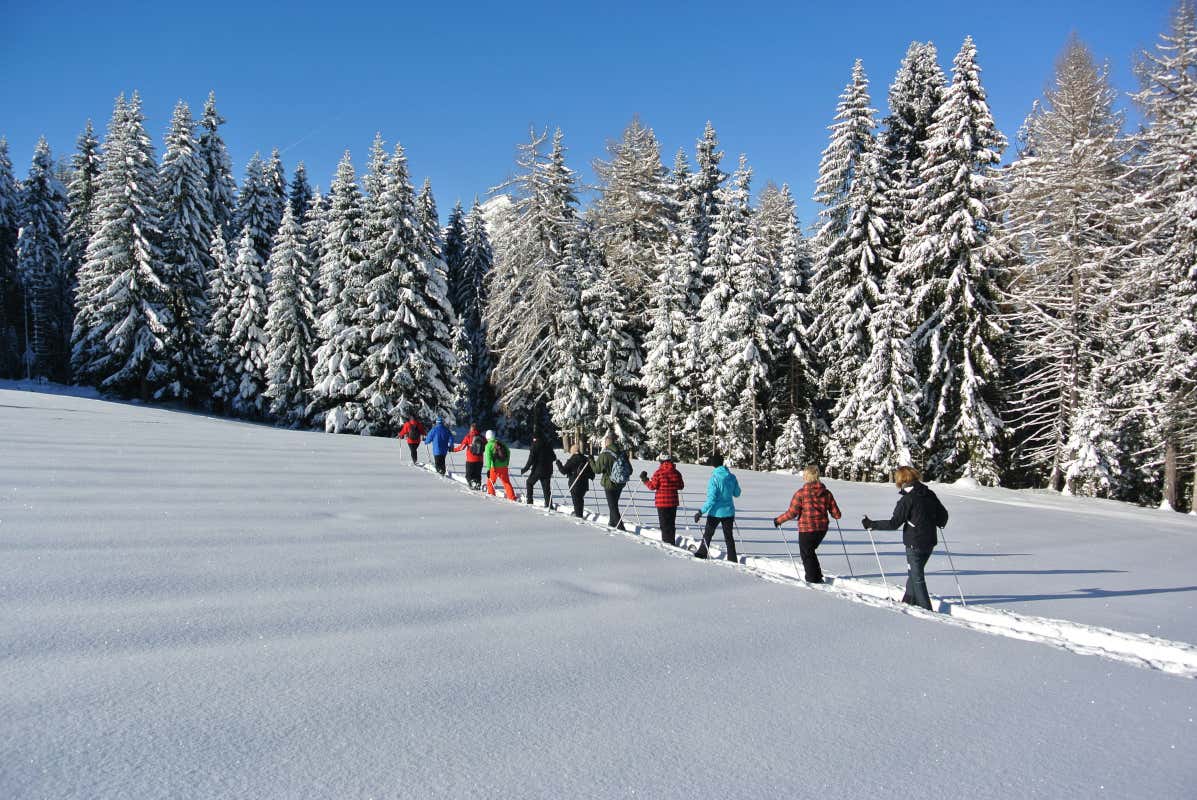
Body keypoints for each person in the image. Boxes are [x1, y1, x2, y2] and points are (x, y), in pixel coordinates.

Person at [862, 465, 948, 611]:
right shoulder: (929, 493)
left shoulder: (908, 499)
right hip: (930, 541)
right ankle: (908, 601)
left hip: (915, 543)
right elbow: (943, 516)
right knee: (913, 573)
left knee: (917, 576)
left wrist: (872, 524)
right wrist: (934, 521)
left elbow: (894, 523)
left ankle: (926, 609)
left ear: (902, 480)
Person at [773, 464, 842, 583]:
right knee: (809, 552)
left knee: (806, 554)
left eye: (804, 475)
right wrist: (834, 514)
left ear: (807, 477)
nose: (803, 477)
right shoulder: (826, 493)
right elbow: (836, 514)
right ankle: (817, 576)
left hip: (807, 529)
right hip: (821, 529)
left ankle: (812, 580)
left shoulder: (801, 493)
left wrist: (779, 520)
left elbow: (792, 512)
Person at [693, 454, 740, 561]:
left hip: (715, 513)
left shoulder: (714, 478)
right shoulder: (732, 477)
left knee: (708, 534)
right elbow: (737, 493)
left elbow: (711, 499)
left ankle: (701, 554)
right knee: (729, 537)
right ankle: (732, 559)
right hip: (729, 512)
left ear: (713, 464)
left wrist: (700, 512)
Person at [640, 454, 684, 546]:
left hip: (662, 502)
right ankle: (671, 541)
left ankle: (667, 543)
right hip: (673, 502)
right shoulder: (676, 472)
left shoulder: (658, 472)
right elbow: (681, 486)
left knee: (664, 525)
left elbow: (652, 486)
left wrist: (645, 480)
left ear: (661, 462)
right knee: (671, 524)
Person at [590, 434, 631, 531]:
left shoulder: (604, 454)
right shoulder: (621, 453)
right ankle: (612, 523)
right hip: (620, 483)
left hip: (609, 483)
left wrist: (591, 461)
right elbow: (630, 470)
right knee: (613, 504)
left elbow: (597, 470)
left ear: (607, 441)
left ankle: (620, 527)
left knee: (613, 506)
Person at [520, 433, 557, 508]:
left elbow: (531, 459)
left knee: (529, 483)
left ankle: (530, 501)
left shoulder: (535, 446)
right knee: (546, 489)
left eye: (534, 438)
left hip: (538, 470)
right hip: (548, 470)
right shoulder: (548, 445)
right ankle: (549, 505)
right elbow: (554, 457)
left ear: (536, 438)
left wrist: (525, 469)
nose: (533, 439)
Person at [557, 443, 594, 518]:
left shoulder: (572, 459)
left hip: (574, 484)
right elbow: (592, 474)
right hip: (584, 484)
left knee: (576, 500)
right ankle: (578, 512)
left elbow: (563, 471)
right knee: (580, 499)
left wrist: (559, 464)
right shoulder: (585, 459)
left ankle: (578, 515)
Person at [483, 430, 517, 501]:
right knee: (506, 482)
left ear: (487, 437)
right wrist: (506, 462)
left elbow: (488, 458)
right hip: (504, 467)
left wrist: (489, 469)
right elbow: (508, 452)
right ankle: (512, 497)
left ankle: (491, 497)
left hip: (494, 468)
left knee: (490, 483)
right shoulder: (500, 443)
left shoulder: (488, 446)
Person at [454, 423, 486, 489]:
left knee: (468, 476)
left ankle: (473, 484)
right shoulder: (482, 437)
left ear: (471, 429)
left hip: (470, 460)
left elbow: (461, 447)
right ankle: (478, 485)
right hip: (480, 460)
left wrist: (453, 450)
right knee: (478, 475)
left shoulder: (468, 437)